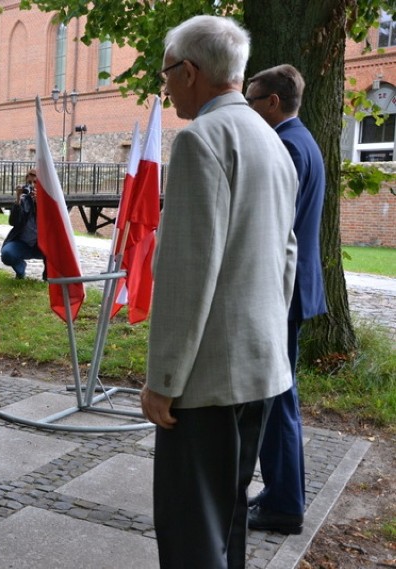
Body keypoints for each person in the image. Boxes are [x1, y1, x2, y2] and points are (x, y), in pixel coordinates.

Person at [139, 16, 298, 568]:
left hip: (204, 382)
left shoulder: (201, 141)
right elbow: (288, 257)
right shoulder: (272, 140)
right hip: (260, 367)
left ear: (189, 71)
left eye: (166, 74)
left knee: (190, 533)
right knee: (227, 520)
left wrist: (163, 381)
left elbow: (188, 272)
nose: (165, 86)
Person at [245, 64, 328, 535]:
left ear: (272, 103)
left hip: (284, 290)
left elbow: (276, 229)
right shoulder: (304, 141)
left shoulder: (286, 147)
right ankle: (282, 494)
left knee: (276, 398)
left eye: (252, 99)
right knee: (281, 396)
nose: (248, 107)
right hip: (296, 287)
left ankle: (284, 506)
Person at [0, 169, 46, 279]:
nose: (32, 186)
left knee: (56, 251)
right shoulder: (24, 200)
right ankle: (20, 271)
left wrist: (39, 204)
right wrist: (17, 200)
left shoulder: (48, 201)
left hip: (42, 245)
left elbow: (51, 223)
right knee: (7, 254)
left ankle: (47, 277)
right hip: (23, 243)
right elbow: (13, 222)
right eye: (29, 183)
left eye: (35, 182)